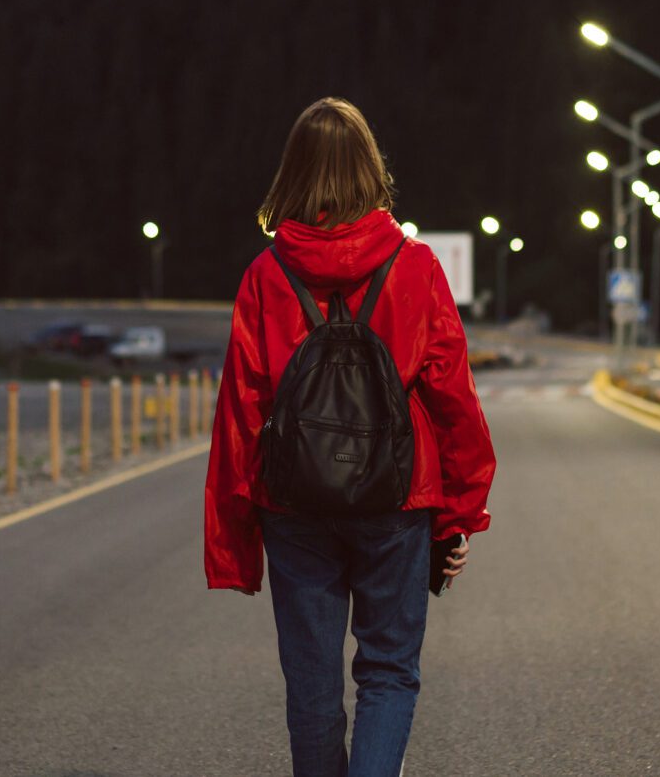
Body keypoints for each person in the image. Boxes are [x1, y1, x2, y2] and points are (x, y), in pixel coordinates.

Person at [205, 97, 497, 777]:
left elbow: (241, 415)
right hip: (397, 500)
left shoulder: (265, 277)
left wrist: (236, 537)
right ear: (370, 171)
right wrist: (456, 520)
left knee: (311, 687)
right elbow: (454, 398)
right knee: (388, 672)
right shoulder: (417, 266)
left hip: (295, 504)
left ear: (293, 174)